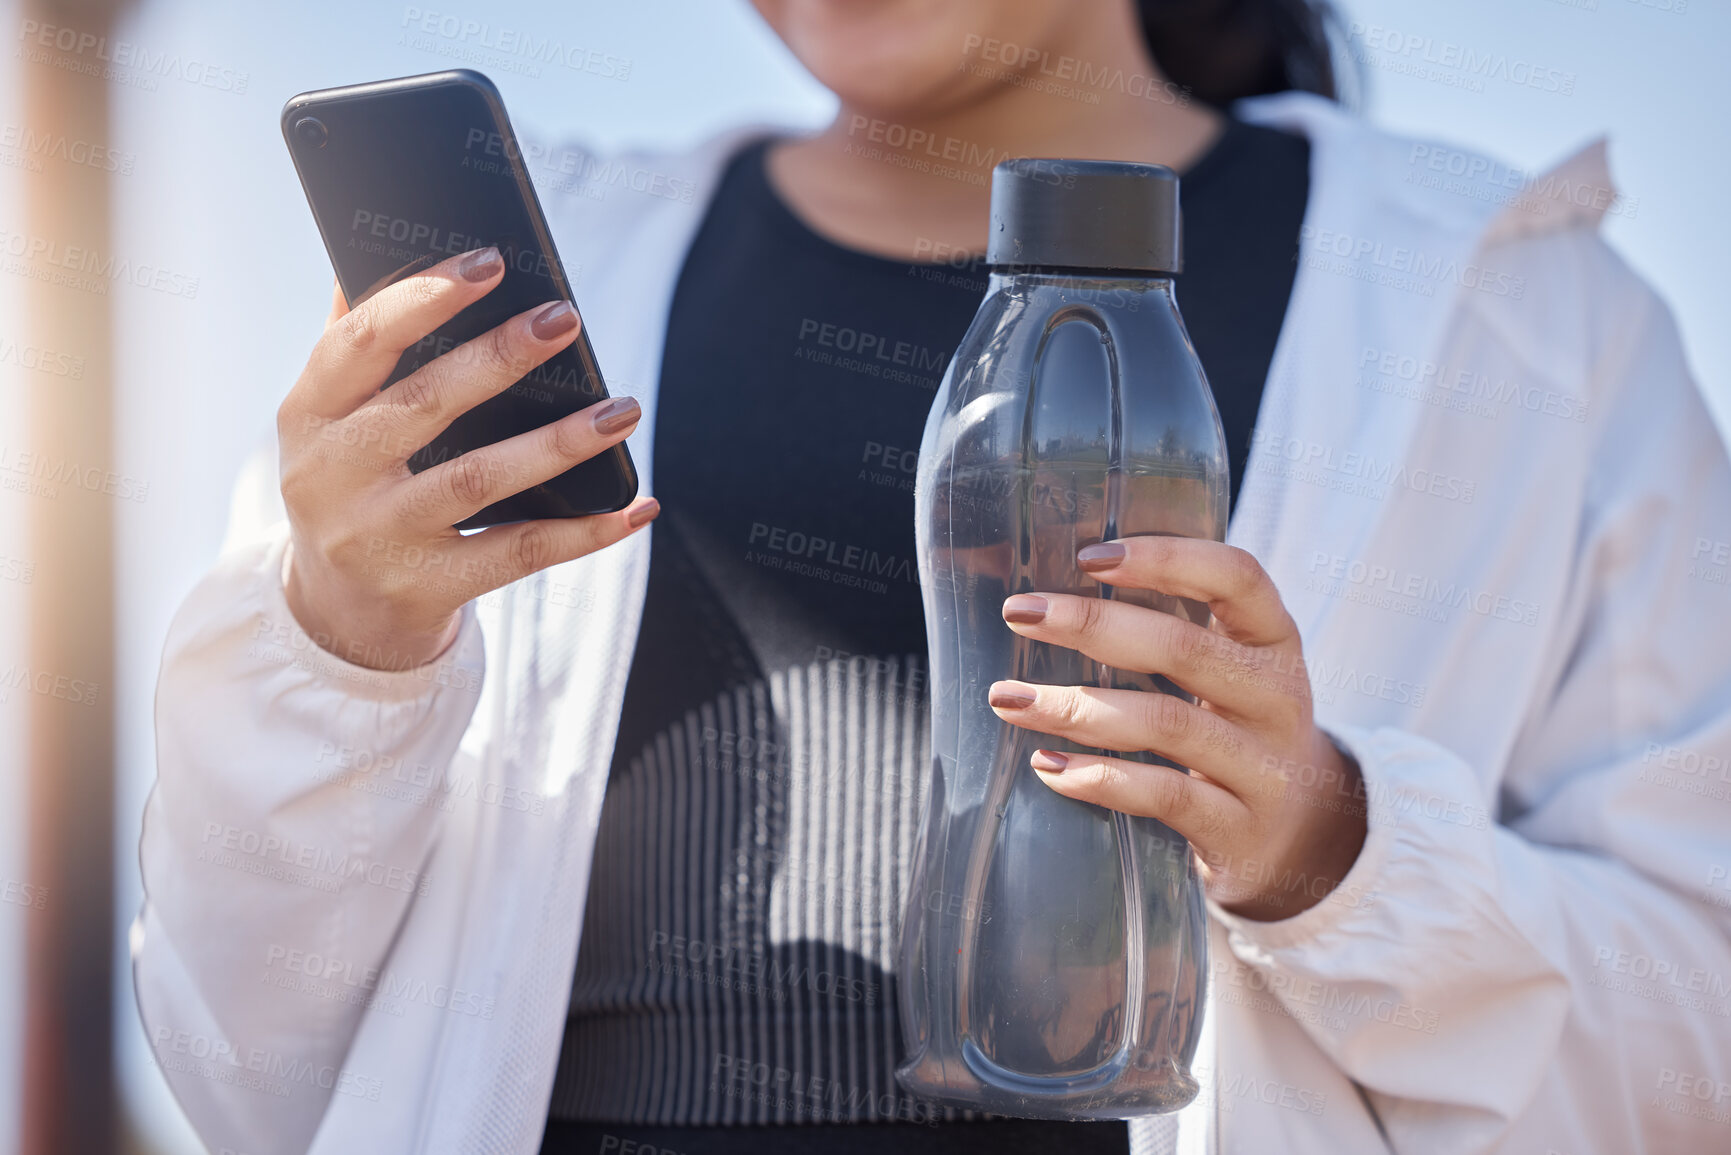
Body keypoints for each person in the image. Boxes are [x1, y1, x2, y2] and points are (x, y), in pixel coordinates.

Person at [135, 0, 1731, 1152]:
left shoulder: (1526, 321)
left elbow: (1695, 1043)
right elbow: (243, 1058)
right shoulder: (518, 316)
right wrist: (337, 655)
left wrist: (1335, 846)